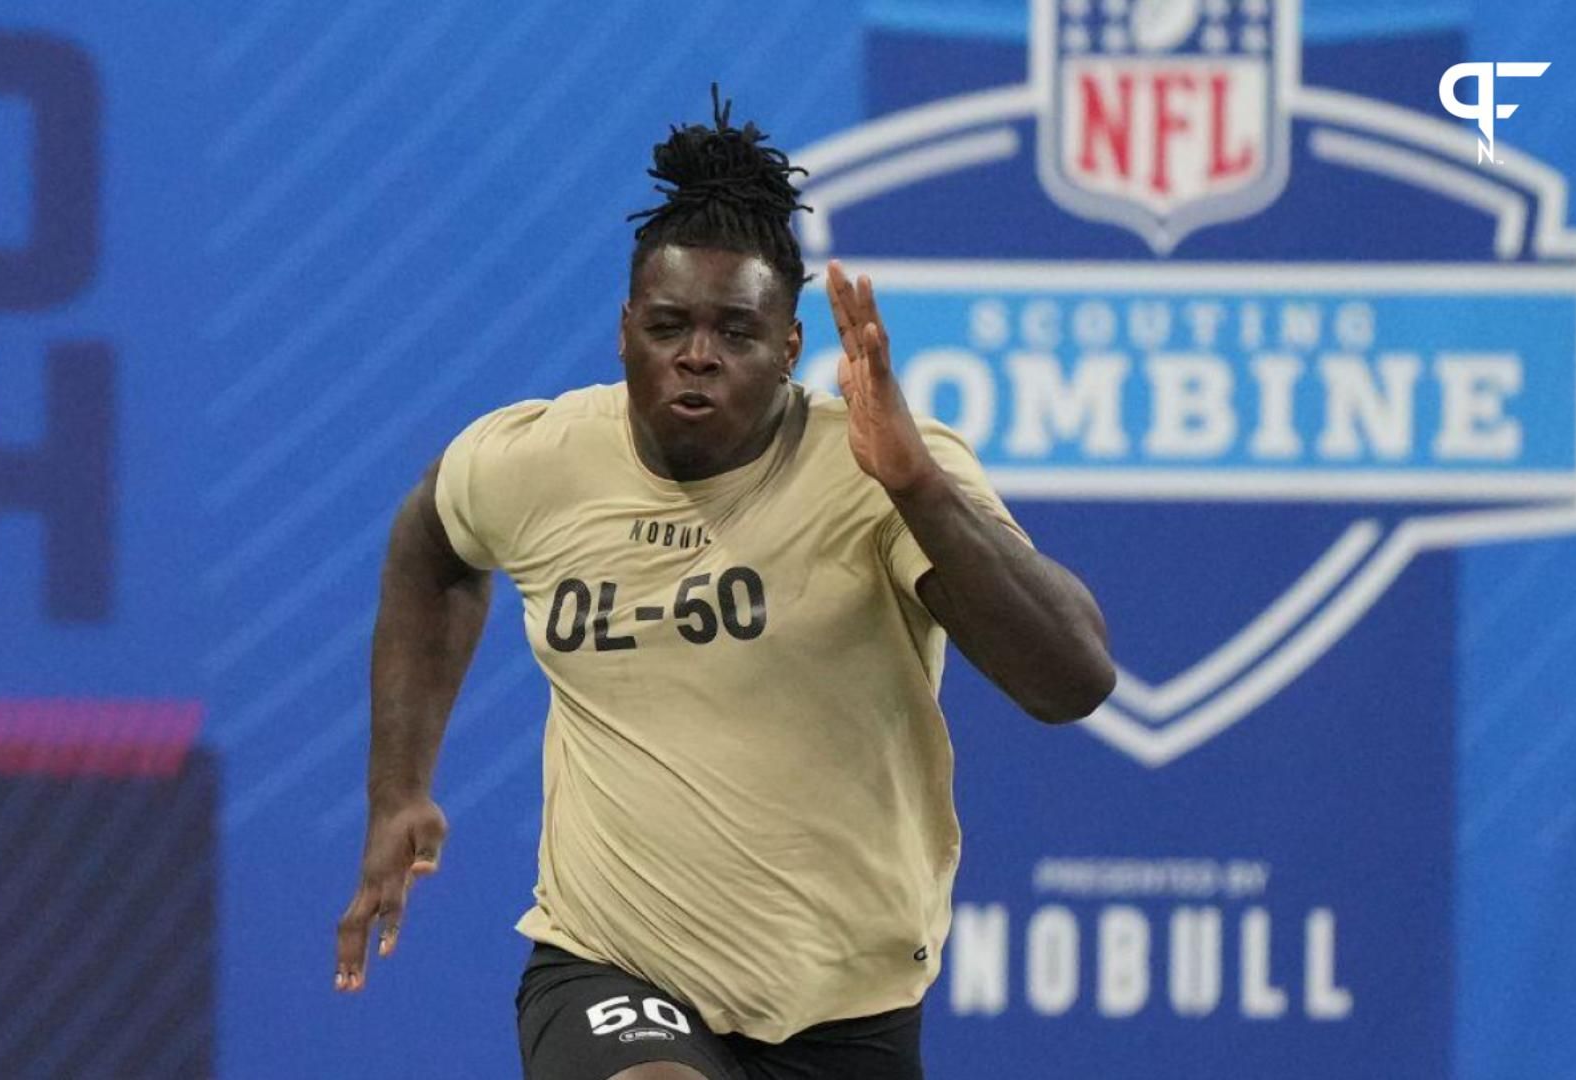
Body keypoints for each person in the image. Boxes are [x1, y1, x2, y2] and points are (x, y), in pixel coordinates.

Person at [334, 88, 1114, 1079]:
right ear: (625, 332)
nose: (698, 355)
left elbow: (1073, 677)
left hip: (847, 1004)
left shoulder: (877, 472)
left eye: (736, 333)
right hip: (611, 965)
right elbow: (429, 547)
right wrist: (398, 789)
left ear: (791, 348)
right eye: (669, 326)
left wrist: (916, 486)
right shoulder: (535, 460)